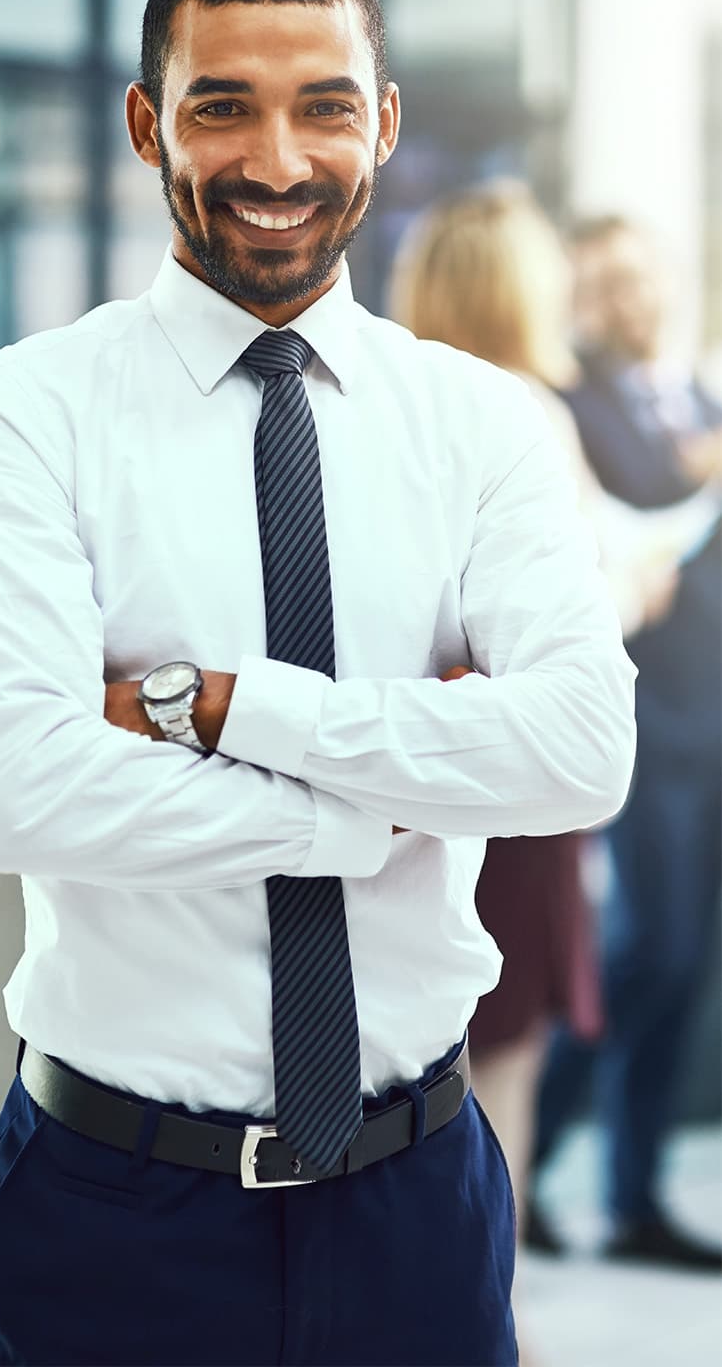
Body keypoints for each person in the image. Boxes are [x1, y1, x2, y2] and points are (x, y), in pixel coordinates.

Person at [0, 0, 636, 1367]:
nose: (275, 160)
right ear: (146, 123)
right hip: (107, 1212)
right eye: (220, 104)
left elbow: (574, 752)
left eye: (322, 104)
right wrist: (402, 785)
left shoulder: (481, 427)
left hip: (414, 1203)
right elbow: (28, 795)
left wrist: (228, 706)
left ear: (380, 121)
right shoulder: (24, 417)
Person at [386, 182, 687, 1309]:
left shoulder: (389, 408)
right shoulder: (523, 412)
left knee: (422, 1067)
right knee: (497, 1069)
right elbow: (564, 624)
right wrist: (635, 586)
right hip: (505, 777)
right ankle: (482, 1316)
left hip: (410, 772)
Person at [529, 215, 722, 1272]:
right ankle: (525, 1151)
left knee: (681, 969)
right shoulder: (569, 409)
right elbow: (633, 523)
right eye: (603, 284)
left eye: (638, 275)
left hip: (717, 719)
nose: (625, 299)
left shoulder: (699, 398)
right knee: (650, 949)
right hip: (652, 728)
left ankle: (634, 1197)